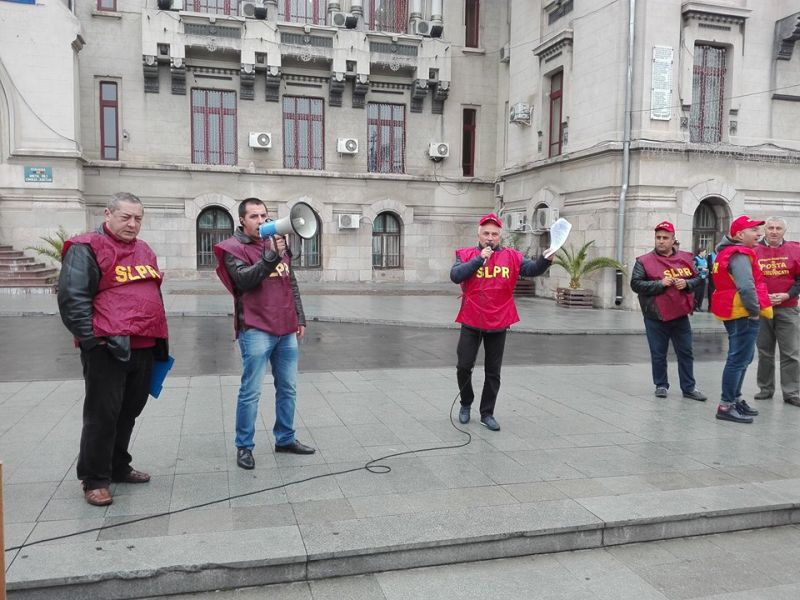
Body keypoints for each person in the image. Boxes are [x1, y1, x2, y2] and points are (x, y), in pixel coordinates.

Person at [58, 192, 169, 506]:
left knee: (129, 411)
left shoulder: (144, 249)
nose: (132, 224)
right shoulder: (85, 247)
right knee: (102, 415)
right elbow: (73, 299)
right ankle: (94, 479)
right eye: (126, 217)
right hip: (107, 347)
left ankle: (119, 466)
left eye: (138, 218)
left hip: (144, 345)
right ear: (108, 214)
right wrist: (93, 342)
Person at [214, 197, 315, 470]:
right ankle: (244, 446)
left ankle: (285, 438)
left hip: (286, 326)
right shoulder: (232, 248)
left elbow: (290, 282)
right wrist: (270, 257)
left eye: (263, 215)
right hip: (256, 328)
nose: (260, 221)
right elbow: (244, 281)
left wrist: (299, 316)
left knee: (288, 388)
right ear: (242, 220)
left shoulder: (277, 243)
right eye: (254, 216)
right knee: (251, 391)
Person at [450, 213, 553, 431]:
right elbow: (456, 275)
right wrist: (479, 259)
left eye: (494, 234)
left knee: (493, 371)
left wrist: (545, 260)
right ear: (479, 235)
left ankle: (487, 413)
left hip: (498, 321)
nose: (490, 238)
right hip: (471, 319)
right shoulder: (466, 254)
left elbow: (532, 269)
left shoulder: (512, 256)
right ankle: (466, 402)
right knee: (463, 366)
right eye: (486, 233)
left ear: (500, 236)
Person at [630, 221, 707, 401]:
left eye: (665, 238)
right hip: (655, 315)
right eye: (658, 237)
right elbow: (635, 284)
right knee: (658, 353)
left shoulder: (686, 258)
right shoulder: (644, 261)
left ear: (673, 240)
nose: (661, 241)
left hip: (680, 315)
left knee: (686, 352)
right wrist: (660, 284)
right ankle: (661, 385)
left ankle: (689, 388)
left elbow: (699, 279)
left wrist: (687, 283)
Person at [711, 215, 773, 423]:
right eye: (754, 230)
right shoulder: (739, 254)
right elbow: (746, 286)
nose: (759, 234)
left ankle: (735, 400)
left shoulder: (726, 252)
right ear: (739, 235)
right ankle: (726, 405)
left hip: (734, 310)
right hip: (743, 313)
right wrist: (754, 310)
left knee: (742, 358)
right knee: (738, 359)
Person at [753, 217, 800, 406]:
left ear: (784, 231)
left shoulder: (795, 250)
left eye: (778, 228)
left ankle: (791, 392)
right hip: (762, 308)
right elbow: (748, 279)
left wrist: (787, 295)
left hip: (788, 308)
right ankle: (765, 388)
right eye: (770, 228)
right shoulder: (753, 251)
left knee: (791, 352)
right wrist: (761, 297)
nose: (774, 231)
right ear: (764, 230)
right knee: (765, 351)